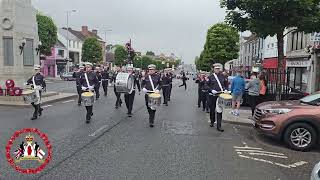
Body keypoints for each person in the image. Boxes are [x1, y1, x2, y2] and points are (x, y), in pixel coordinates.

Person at [208, 64, 227, 132]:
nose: (217, 70)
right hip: (212, 96)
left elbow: (225, 84)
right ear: (213, 69)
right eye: (216, 68)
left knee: (219, 110)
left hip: (220, 96)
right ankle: (212, 121)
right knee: (212, 110)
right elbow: (206, 85)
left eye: (218, 68)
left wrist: (225, 89)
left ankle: (219, 126)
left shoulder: (222, 76)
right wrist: (211, 90)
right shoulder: (210, 77)